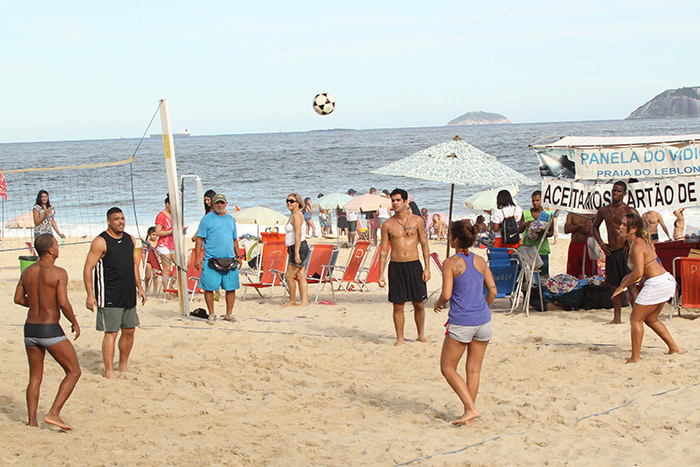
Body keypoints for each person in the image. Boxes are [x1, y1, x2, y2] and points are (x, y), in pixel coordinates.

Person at [14, 233, 81, 430]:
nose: (58, 248)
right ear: (50, 250)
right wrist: (74, 321)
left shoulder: (27, 272)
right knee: (74, 371)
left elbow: (18, 299)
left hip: (30, 328)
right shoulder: (59, 272)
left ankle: (32, 421)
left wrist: (36, 303)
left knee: (35, 377)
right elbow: (63, 303)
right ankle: (54, 413)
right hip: (49, 328)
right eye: (57, 245)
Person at [433, 221, 497, 425]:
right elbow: (493, 291)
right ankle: (470, 412)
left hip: (462, 321)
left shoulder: (450, 262)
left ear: (455, 239)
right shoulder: (480, 261)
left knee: (448, 368)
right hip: (483, 320)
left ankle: (470, 408)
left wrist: (438, 303)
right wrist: (484, 306)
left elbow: (447, 294)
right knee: (474, 370)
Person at [83, 207, 146, 379]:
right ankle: (109, 370)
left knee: (129, 330)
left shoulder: (130, 239)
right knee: (111, 332)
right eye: (116, 219)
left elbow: (133, 264)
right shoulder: (100, 242)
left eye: (122, 218)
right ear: (109, 221)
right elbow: (88, 268)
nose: (121, 221)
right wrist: (90, 294)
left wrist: (139, 287)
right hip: (109, 294)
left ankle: (123, 366)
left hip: (128, 293)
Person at [612, 213, 683, 363]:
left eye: (624, 224)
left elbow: (639, 273)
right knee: (651, 319)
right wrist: (624, 281)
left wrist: (622, 286)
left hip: (658, 282)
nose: (620, 226)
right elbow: (638, 272)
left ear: (633, 229)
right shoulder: (635, 243)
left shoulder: (637, 245)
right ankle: (674, 347)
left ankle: (635, 358)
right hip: (665, 281)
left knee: (635, 319)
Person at [378, 189, 431, 346]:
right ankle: (400, 338)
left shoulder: (417, 221)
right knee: (398, 305)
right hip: (396, 266)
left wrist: (427, 268)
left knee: (419, 304)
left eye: (398, 200)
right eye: (393, 200)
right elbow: (383, 251)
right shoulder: (387, 225)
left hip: (414, 264)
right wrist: (380, 274)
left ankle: (421, 335)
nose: (394, 203)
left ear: (406, 202)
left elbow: (425, 245)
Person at [592, 181, 639, 324]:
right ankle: (617, 317)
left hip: (625, 252)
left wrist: (629, 242)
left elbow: (641, 228)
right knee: (614, 286)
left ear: (624, 193)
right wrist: (601, 244)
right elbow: (594, 227)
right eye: (614, 191)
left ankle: (637, 316)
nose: (616, 193)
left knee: (630, 285)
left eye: (619, 191)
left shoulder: (629, 211)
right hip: (611, 252)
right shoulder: (604, 211)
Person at [194, 194, 243, 322]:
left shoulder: (230, 219)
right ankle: (211, 313)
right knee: (209, 288)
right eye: (217, 203)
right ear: (213, 204)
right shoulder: (206, 219)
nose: (219, 205)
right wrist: (197, 259)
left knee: (231, 288)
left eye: (222, 203)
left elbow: (234, 239)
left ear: (226, 204)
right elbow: (199, 240)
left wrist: (238, 256)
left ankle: (229, 314)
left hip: (229, 259)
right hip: (211, 260)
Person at [283, 193, 310, 307]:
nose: (289, 203)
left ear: (298, 203)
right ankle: (304, 301)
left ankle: (292, 300)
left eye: (292, 201)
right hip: (294, 247)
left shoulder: (297, 215)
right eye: (287, 200)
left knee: (289, 276)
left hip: (298, 247)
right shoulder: (293, 215)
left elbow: (298, 234)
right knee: (300, 275)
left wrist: (297, 253)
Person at [519, 190, 554, 276]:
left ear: (542, 200)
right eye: (533, 200)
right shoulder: (526, 213)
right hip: (529, 249)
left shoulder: (548, 215)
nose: (535, 203)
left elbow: (551, 233)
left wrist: (543, 233)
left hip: (542, 249)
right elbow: (519, 230)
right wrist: (525, 225)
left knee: (543, 276)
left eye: (537, 200)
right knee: (529, 276)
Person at [564, 212, 597, 277]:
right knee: (572, 273)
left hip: (586, 244)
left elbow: (586, 230)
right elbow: (566, 230)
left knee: (589, 272)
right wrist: (579, 225)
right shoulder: (572, 213)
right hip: (574, 244)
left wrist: (573, 227)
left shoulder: (590, 213)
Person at [154, 195, 175, 293]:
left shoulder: (174, 215)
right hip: (164, 244)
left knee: (180, 266)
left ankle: (170, 286)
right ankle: (167, 291)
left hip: (173, 244)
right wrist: (170, 231)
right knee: (166, 268)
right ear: (167, 204)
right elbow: (158, 232)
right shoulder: (161, 215)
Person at [142, 226, 160, 295]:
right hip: (148, 261)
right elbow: (143, 253)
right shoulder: (146, 243)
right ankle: (147, 287)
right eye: (153, 235)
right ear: (149, 235)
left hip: (156, 260)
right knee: (148, 276)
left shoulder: (158, 242)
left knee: (156, 276)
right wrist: (144, 262)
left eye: (156, 235)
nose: (155, 236)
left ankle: (155, 290)